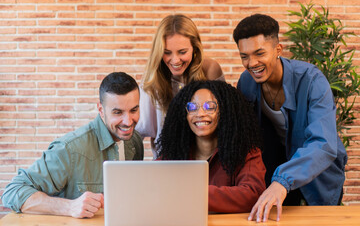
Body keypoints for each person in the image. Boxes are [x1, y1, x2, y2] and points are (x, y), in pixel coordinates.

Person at [233, 14, 347, 222]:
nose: (252, 63)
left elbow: (323, 143)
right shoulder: (246, 83)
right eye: (244, 56)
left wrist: (282, 180)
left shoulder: (312, 80)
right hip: (274, 168)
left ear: (278, 50)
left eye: (259, 53)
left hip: (318, 170)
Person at [2, 72, 144, 218]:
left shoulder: (135, 141)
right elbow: (13, 192)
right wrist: (69, 207)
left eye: (134, 110)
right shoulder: (69, 149)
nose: (128, 121)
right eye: (118, 112)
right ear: (101, 110)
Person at [156, 80, 266, 213]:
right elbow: (153, 187)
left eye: (210, 106)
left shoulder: (246, 152)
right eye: (192, 107)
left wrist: (192, 193)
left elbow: (252, 195)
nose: (200, 114)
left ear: (225, 111)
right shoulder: (174, 153)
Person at [135, 14, 224, 158]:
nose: (175, 60)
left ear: (195, 48)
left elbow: (225, 122)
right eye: (167, 53)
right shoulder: (152, 78)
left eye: (182, 52)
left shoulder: (210, 70)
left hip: (206, 159)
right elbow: (138, 130)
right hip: (166, 162)